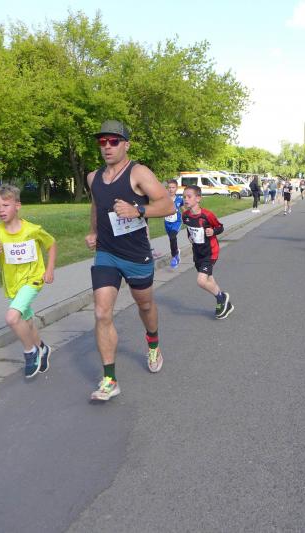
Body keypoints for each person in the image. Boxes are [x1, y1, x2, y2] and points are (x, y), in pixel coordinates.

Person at [85, 119, 175, 401]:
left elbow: (167, 205)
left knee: (145, 304)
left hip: (135, 254)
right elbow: (96, 206)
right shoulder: (93, 177)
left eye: (113, 141)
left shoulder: (138, 172)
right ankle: (109, 379)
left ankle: (153, 343)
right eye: (102, 141)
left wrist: (138, 210)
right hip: (106, 253)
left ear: (126, 145)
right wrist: (93, 231)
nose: (107, 146)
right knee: (102, 312)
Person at [0, 185, 57, 379]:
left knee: (12, 318)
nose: (1, 210)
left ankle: (30, 352)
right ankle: (43, 348)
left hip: (33, 280)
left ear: (17, 206)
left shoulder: (32, 230)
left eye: (5, 205)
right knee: (27, 322)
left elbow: (51, 244)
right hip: (13, 285)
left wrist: (49, 270)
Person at [181, 185, 235, 319]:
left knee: (201, 281)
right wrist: (190, 237)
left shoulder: (207, 215)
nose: (186, 199)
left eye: (189, 196)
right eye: (184, 196)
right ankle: (225, 304)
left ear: (198, 198)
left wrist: (213, 231)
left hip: (210, 252)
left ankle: (222, 297)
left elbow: (220, 227)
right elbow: (189, 228)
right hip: (197, 252)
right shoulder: (185, 215)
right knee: (209, 279)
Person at [164, 178, 184, 268]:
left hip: (177, 222)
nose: (171, 189)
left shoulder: (179, 199)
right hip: (167, 222)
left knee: (172, 237)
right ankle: (177, 251)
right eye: (169, 187)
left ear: (176, 188)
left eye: (173, 187)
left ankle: (174, 257)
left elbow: (183, 209)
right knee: (172, 239)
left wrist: (189, 217)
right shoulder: (164, 199)